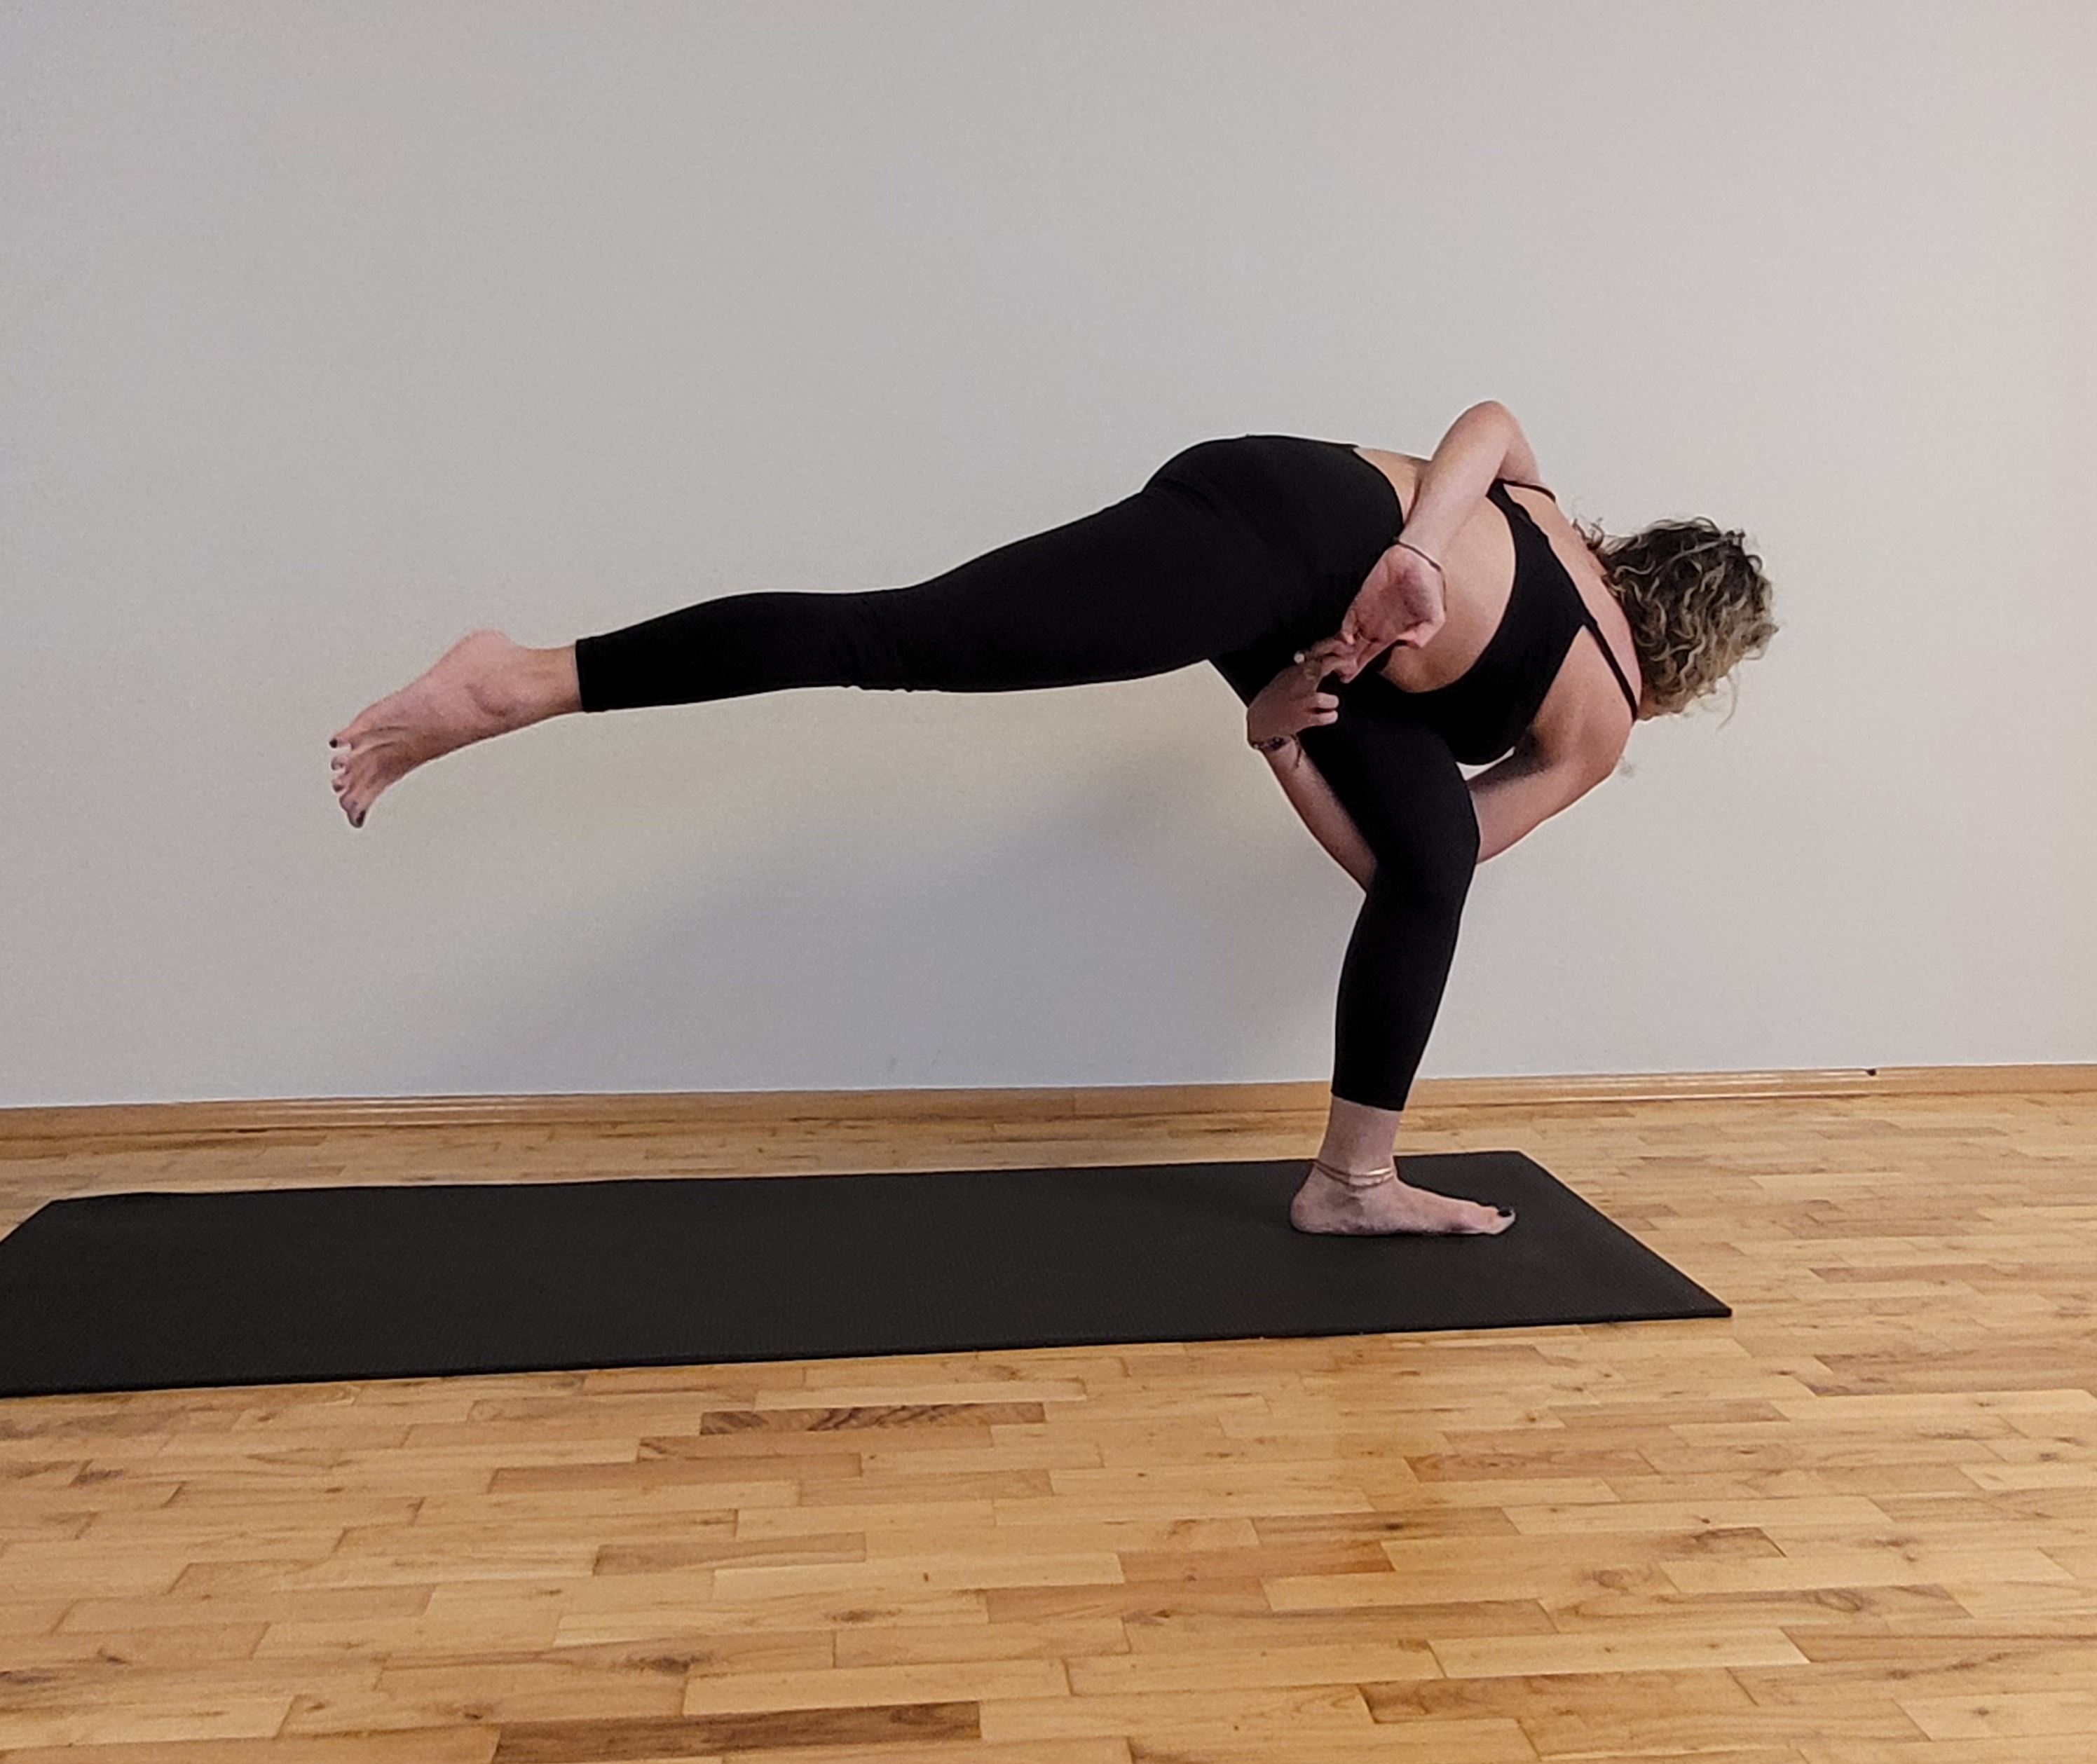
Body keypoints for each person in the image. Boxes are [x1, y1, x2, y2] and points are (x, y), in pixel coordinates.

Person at [330, 403, 1773, 1238]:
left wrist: (1290, 723)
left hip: (1293, 501)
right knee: (903, 636)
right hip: (1297, 544)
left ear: (1636, 556)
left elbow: (1490, 429)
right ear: (1694, 666)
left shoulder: (1543, 510)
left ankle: (1354, 1176)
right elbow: (1391, 869)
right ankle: (521, 678)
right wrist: (1405, 561)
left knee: (1431, 855)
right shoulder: (1597, 722)